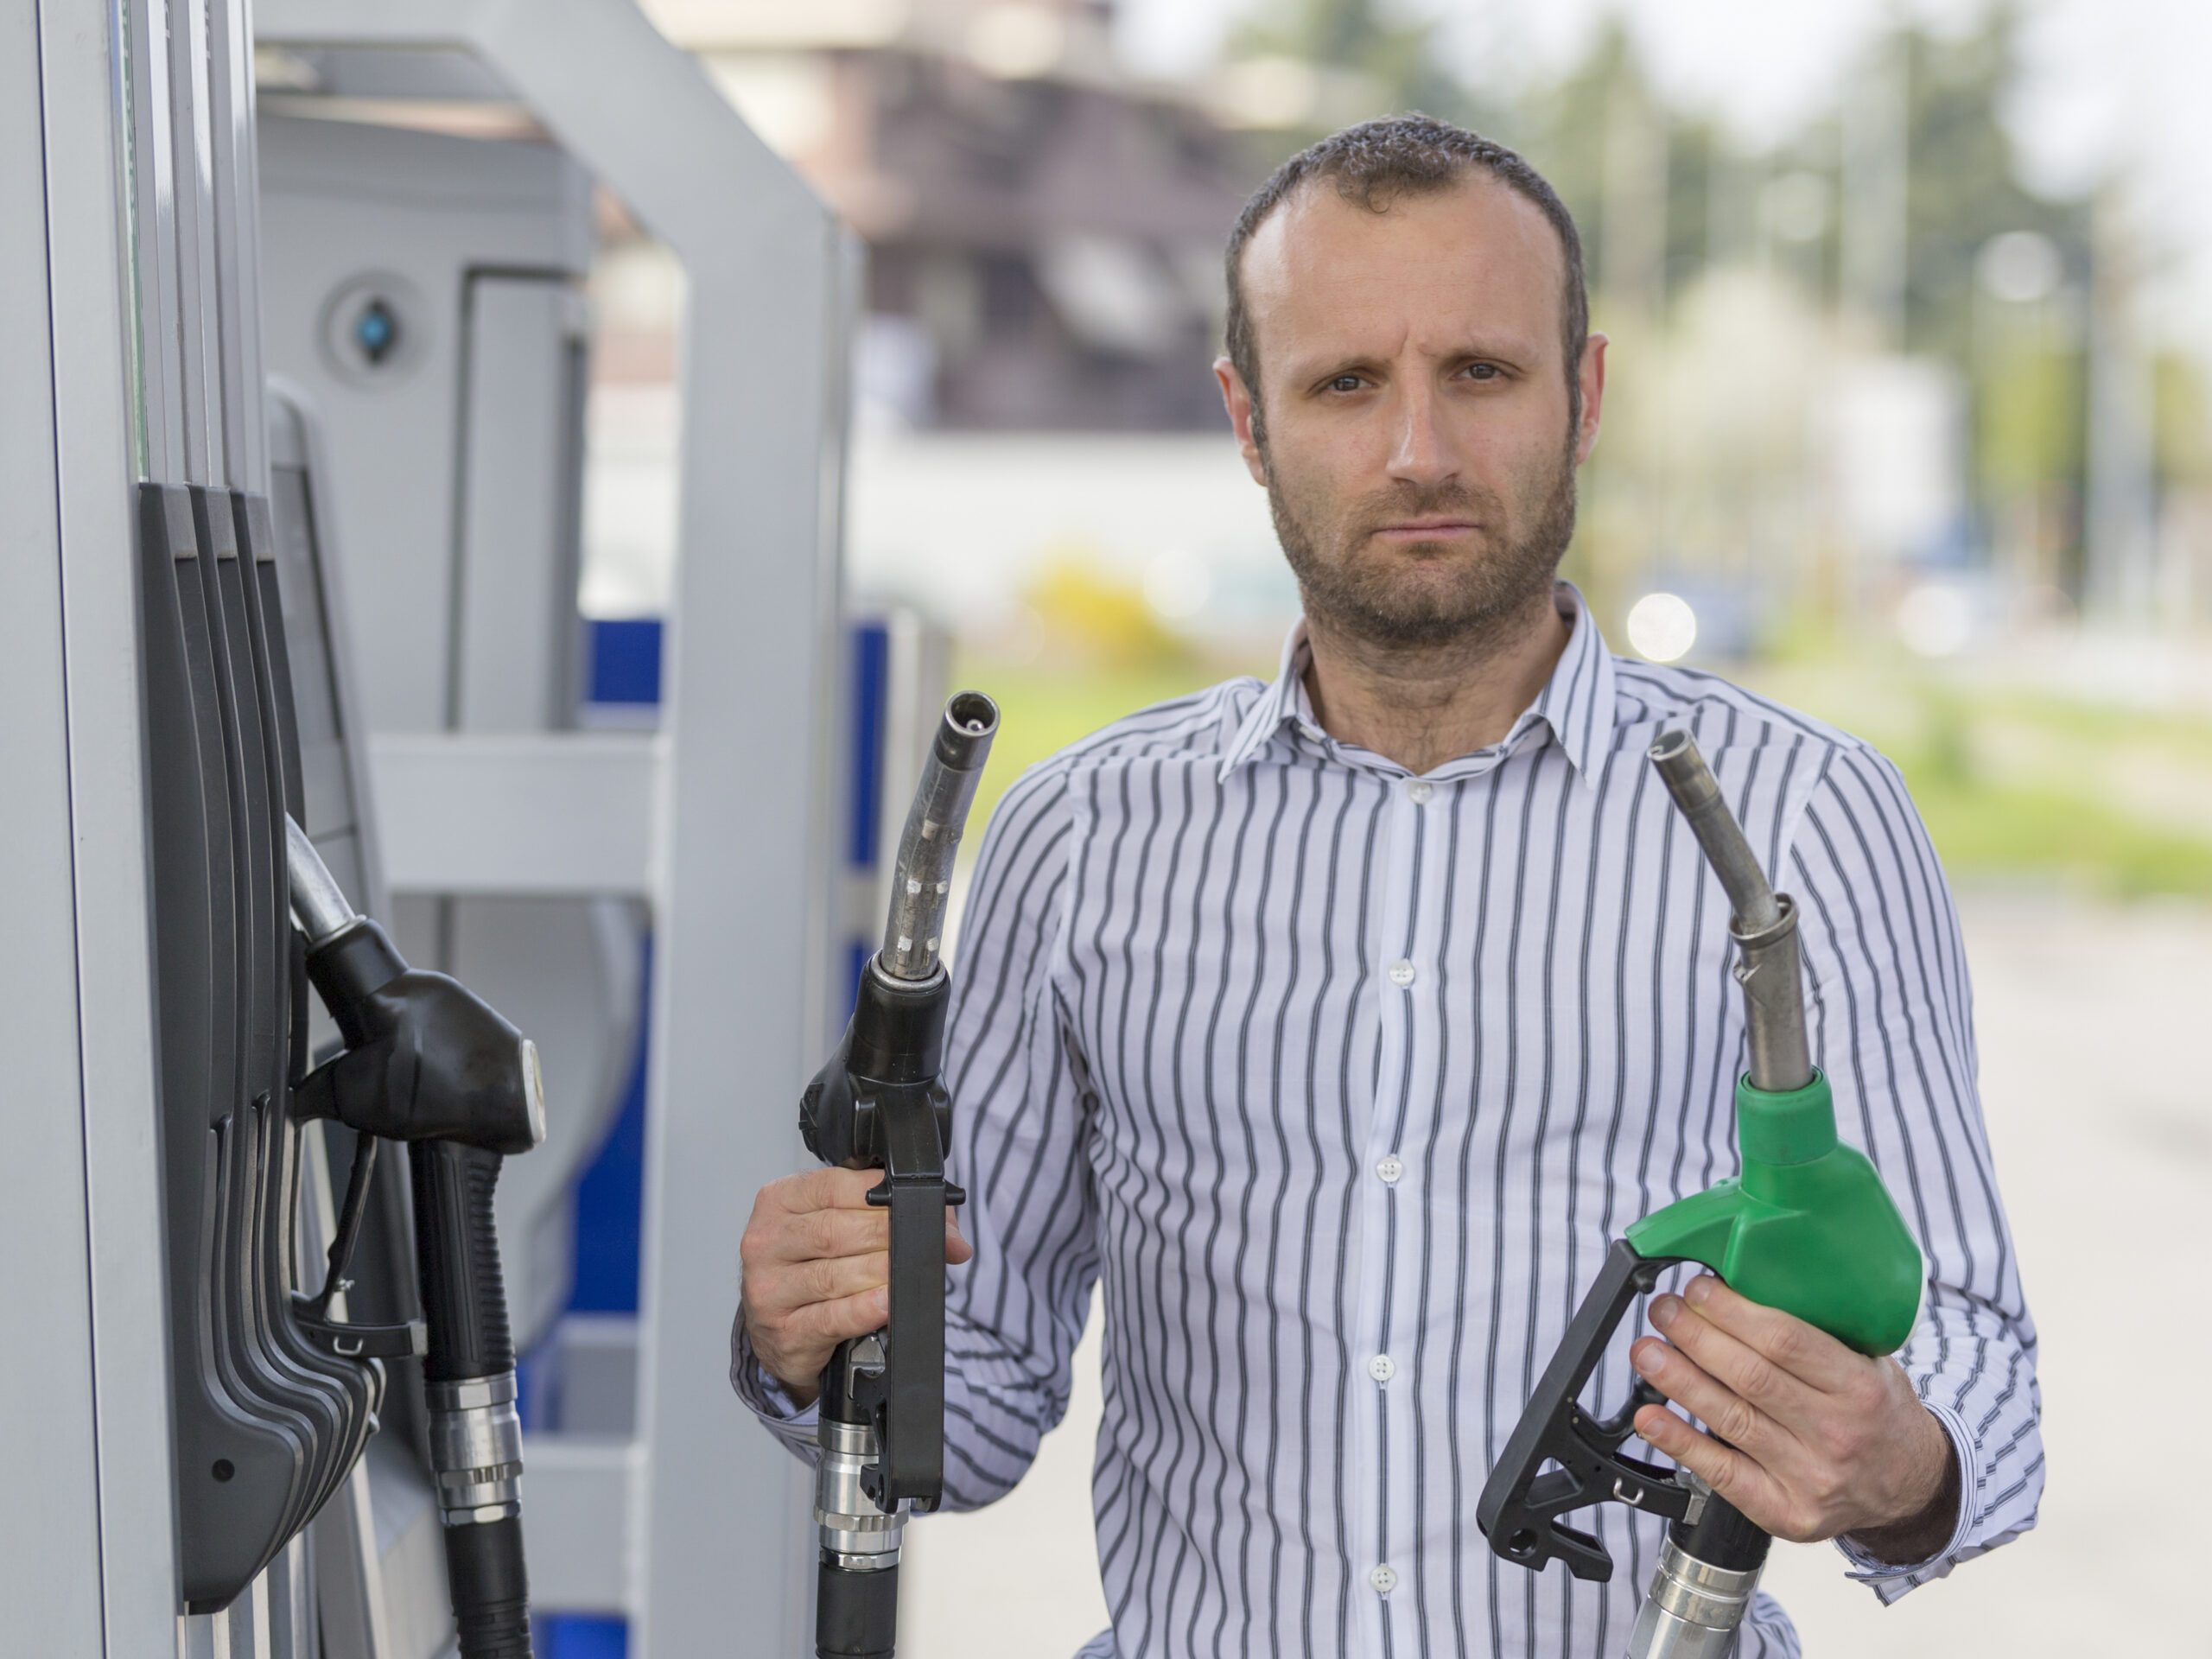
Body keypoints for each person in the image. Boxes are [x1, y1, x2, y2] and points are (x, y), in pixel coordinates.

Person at [731, 115, 2041, 1656]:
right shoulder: (1084, 838)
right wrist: (815, 1332)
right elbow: (974, 1397)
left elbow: (1972, 1358)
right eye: (1345, 382)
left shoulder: (1806, 820)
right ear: (1246, 417)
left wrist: (1892, 1460)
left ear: (1586, 394)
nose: (1418, 448)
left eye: (1480, 372)